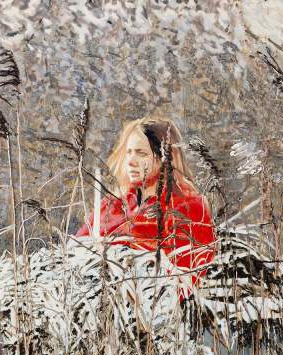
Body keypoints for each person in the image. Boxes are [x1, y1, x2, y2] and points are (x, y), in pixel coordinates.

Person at [75, 117, 216, 286]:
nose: (131, 161)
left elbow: (189, 281)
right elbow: (74, 255)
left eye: (141, 153)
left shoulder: (188, 208)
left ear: (166, 157)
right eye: (128, 152)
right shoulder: (111, 205)